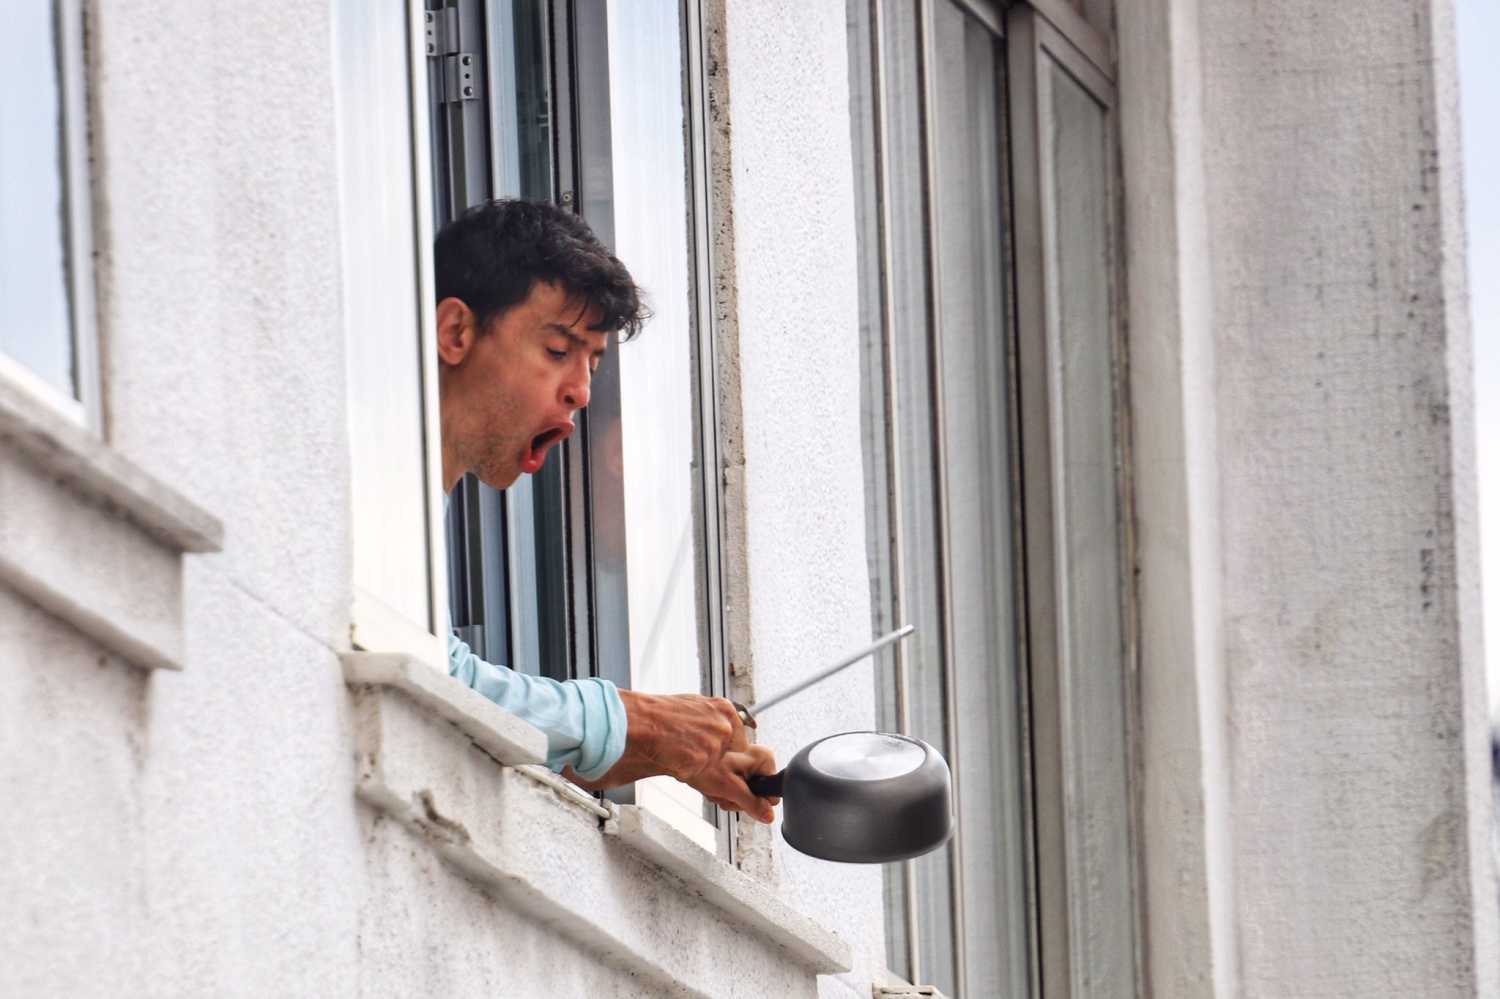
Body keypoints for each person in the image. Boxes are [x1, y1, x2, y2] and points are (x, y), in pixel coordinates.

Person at [433, 198, 777, 824]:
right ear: (457, 332)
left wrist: (660, 751)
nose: (582, 391)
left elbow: (468, 714)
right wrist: (633, 720)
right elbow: (436, 682)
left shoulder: (414, 512)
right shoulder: (371, 487)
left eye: (593, 362)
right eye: (559, 350)